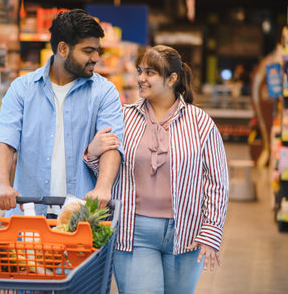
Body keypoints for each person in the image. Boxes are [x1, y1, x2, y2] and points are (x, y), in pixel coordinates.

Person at [84, 45, 229, 293]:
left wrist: (211, 231)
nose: (141, 78)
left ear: (172, 78)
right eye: (140, 71)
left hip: (187, 233)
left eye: (149, 72)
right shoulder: (124, 117)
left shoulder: (200, 122)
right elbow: (107, 171)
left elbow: (217, 182)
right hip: (134, 232)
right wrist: (93, 152)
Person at [0, 9, 124, 216]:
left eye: (98, 50)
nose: (96, 58)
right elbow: (4, 140)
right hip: (29, 212)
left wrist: (103, 188)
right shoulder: (23, 88)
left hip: (82, 214)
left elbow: (112, 146)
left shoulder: (104, 92)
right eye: (88, 51)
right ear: (63, 48)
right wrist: (1, 183)